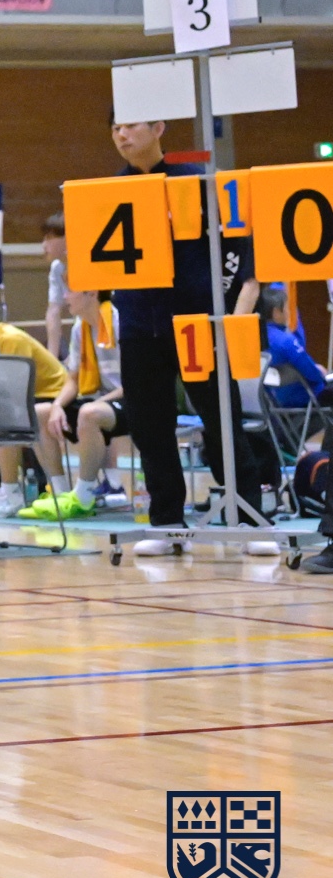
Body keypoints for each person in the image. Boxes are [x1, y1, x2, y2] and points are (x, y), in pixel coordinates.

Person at [106, 120, 279, 558]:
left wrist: (220, 305)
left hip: (196, 325)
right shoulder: (110, 191)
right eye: (115, 128)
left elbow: (235, 246)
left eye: (130, 125)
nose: (122, 135)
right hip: (140, 327)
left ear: (158, 127)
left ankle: (249, 518)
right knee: (150, 427)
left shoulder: (195, 183)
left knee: (221, 419)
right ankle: (166, 523)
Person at [24, 289, 125, 520]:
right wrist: (57, 406)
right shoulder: (81, 327)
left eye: (70, 291)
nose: (65, 297)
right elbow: (73, 379)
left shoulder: (119, 322)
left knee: (89, 413)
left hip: (131, 400)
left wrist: (98, 403)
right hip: (97, 399)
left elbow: (133, 382)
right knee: (39, 413)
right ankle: (59, 493)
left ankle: (84, 496)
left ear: (91, 293)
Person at [0, 286, 68, 518]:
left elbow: (17, 388)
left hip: (52, 393)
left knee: (4, 417)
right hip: (24, 395)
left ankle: (11, 493)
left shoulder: (9, 338)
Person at [258, 285, 327, 414]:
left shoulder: (255, 338)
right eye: (286, 308)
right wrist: (320, 372)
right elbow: (314, 374)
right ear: (276, 312)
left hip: (273, 403)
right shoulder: (286, 341)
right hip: (304, 397)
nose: (289, 312)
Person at [41, 213, 70, 358]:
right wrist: (52, 359)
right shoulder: (57, 268)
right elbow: (53, 311)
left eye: (49, 238)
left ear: (67, 238)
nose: (44, 245)